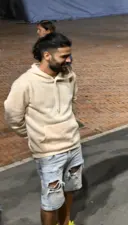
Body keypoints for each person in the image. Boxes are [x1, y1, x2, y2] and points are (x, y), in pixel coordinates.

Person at [4, 32, 81, 225]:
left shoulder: (70, 76)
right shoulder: (25, 83)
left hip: (73, 146)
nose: (69, 60)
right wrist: (36, 135)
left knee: (70, 190)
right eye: (64, 56)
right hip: (49, 154)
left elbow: (72, 103)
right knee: (51, 202)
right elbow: (13, 117)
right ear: (47, 55)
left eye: (69, 55)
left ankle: (66, 223)